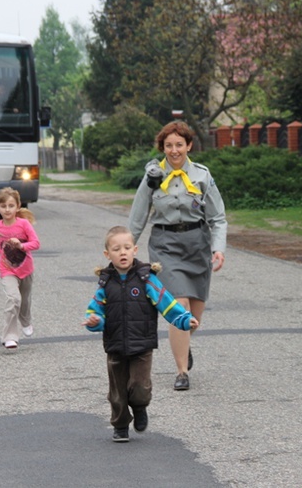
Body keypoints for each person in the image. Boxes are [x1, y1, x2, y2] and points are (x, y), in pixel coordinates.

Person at [128, 120, 227, 391]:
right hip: (165, 245)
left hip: (197, 245)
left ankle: (183, 343)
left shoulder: (202, 176)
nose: (174, 151)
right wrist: (126, 250)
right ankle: (182, 371)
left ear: (189, 145)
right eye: (169, 145)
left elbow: (218, 217)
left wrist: (218, 248)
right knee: (179, 308)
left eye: (179, 145)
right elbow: (138, 217)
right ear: (163, 148)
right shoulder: (153, 177)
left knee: (194, 315)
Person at [83, 226, 199, 442]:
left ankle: (139, 406)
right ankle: (120, 426)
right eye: (117, 249)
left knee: (140, 387)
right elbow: (95, 310)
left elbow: (167, 303)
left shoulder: (147, 279)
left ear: (135, 250)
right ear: (108, 254)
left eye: (127, 247)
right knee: (117, 392)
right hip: (115, 344)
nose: (123, 252)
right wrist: (94, 321)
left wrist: (183, 319)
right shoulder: (105, 283)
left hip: (142, 345)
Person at [0, 187, 40, 350]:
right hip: (7, 269)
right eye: (3, 206)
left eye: (11, 206)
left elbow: (36, 243)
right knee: (13, 299)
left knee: (24, 301)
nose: (7, 209)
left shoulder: (24, 224)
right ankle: (10, 336)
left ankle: (25, 321)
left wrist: (22, 245)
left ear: (17, 207)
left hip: (26, 269)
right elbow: (1, 242)